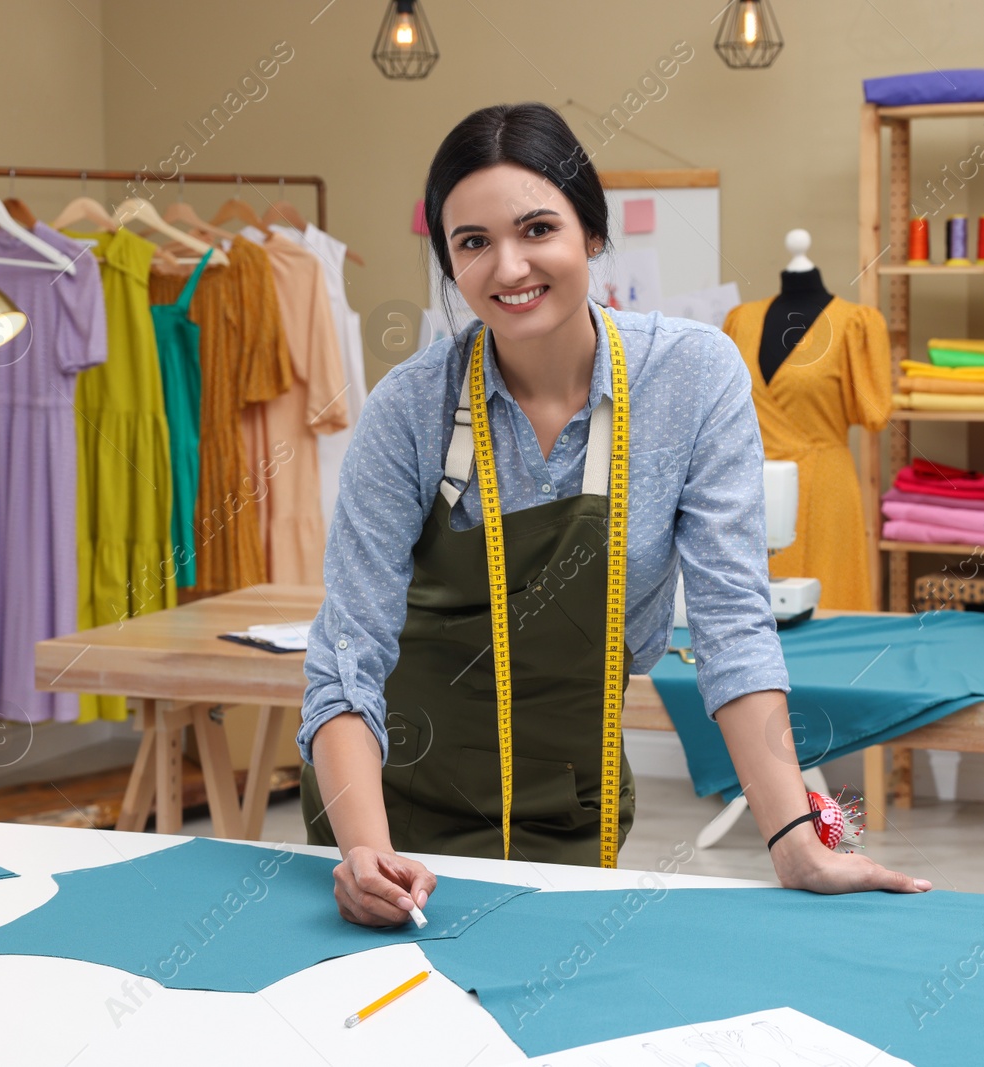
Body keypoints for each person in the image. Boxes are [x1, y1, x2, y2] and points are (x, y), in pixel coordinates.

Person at [299, 101, 929, 927]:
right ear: (450, 264)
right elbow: (348, 658)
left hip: (568, 798)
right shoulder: (410, 409)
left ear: (591, 234)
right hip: (391, 808)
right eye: (473, 242)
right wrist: (364, 853)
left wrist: (793, 835)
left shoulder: (691, 378)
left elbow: (732, 625)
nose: (509, 265)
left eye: (537, 229)